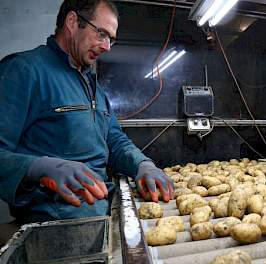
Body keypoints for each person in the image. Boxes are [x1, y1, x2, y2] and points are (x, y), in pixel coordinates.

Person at [0, 0, 174, 224]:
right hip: (53, 222)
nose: (107, 46)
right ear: (72, 22)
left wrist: (142, 164)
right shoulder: (24, 70)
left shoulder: (92, 85)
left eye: (111, 39)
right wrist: (38, 168)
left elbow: (114, 139)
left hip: (102, 213)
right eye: (101, 34)